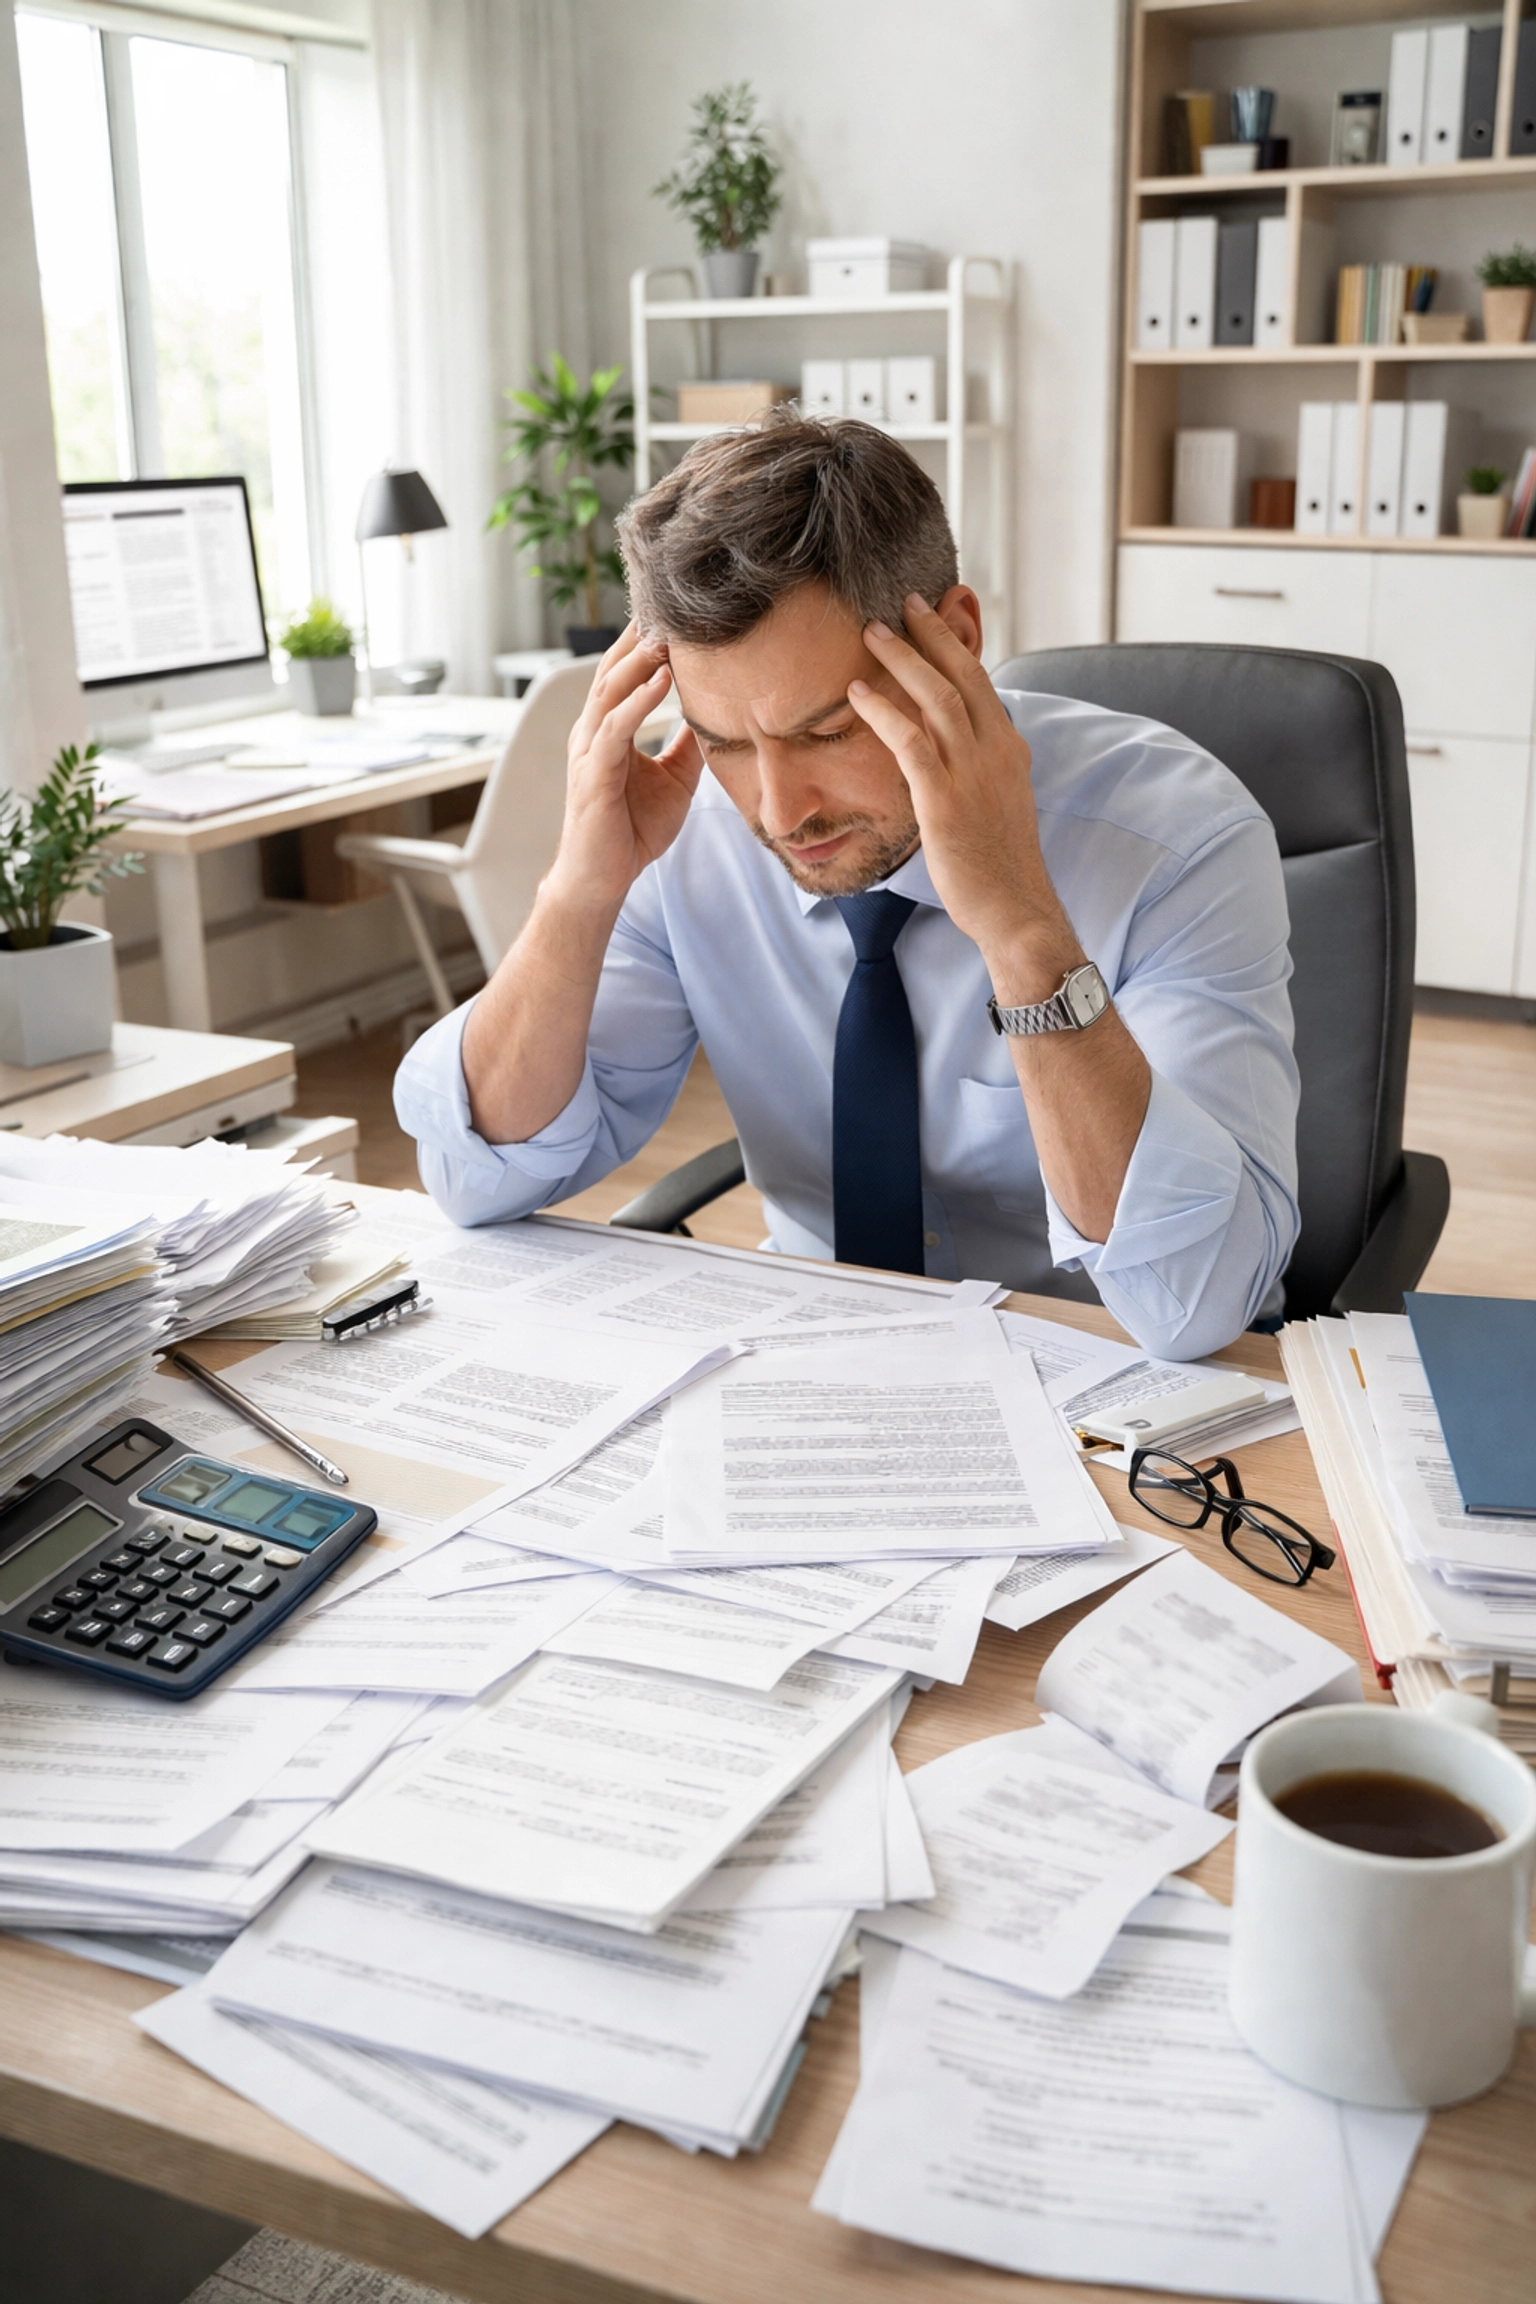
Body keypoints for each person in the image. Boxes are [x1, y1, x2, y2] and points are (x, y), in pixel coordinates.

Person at [395, 413, 1299, 1359]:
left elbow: (1193, 1302)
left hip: (1105, 1372)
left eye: (827, 732)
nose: (782, 812)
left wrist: (1020, 924)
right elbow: (475, 1178)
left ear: (953, 640)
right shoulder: (688, 830)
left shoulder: (1177, 839)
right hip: (817, 1358)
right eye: (726, 742)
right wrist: (579, 894)